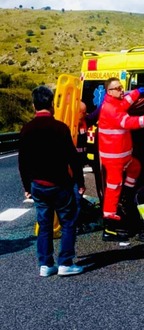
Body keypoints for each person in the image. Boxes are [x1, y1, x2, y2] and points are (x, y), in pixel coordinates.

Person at [18, 85, 85, 277]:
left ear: (33, 106)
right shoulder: (60, 128)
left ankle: (45, 264)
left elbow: (23, 162)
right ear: (52, 104)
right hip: (60, 184)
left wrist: (26, 187)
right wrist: (80, 182)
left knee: (44, 224)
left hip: (38, 185)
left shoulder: (27, 129)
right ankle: (65, 262)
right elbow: (73, 158)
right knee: (68, 222)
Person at [98, 77, 144, 242]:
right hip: (114, 158)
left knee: (135, 167)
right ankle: (109, 227)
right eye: (118, 88)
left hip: (124, 156)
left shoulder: (115, 102)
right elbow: (129, 122)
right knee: (113, 190)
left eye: (121, 87)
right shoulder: (110, 109)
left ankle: (127, 193)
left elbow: (125, 102)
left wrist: (136, 93)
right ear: (109, 92)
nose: (122, 90)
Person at [74, 101, 100, 233]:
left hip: (79, 166)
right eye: (82, 113)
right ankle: (74, 225)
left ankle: (76, 222)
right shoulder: (68, 126)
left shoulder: (85, 121)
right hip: (70, 168)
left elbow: (95, 115)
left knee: (78, 195)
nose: (85, 114)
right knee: (76, 197)